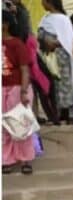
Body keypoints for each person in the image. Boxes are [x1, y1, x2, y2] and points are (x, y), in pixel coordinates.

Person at [2, 11, 35, 174]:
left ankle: (25, 159)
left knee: (20, 124)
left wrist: (23, 92)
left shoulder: (17, 44)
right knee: (4, 126)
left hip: (16, 88)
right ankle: (6, 159)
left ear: (5, 24)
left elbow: (25, 70)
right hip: (2, 89)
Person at [39, 0, 73, 123]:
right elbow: (40, 34)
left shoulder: (63, 19)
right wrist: (44, 40)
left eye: (43, 1)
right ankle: (56, 112)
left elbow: (68, 39)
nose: (41, 4)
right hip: (48, 56)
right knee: (52, 84)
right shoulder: (46, 18)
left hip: (61, 55)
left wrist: (54, 43)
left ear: (50, 2)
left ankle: (66, 113)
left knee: (64, 84)